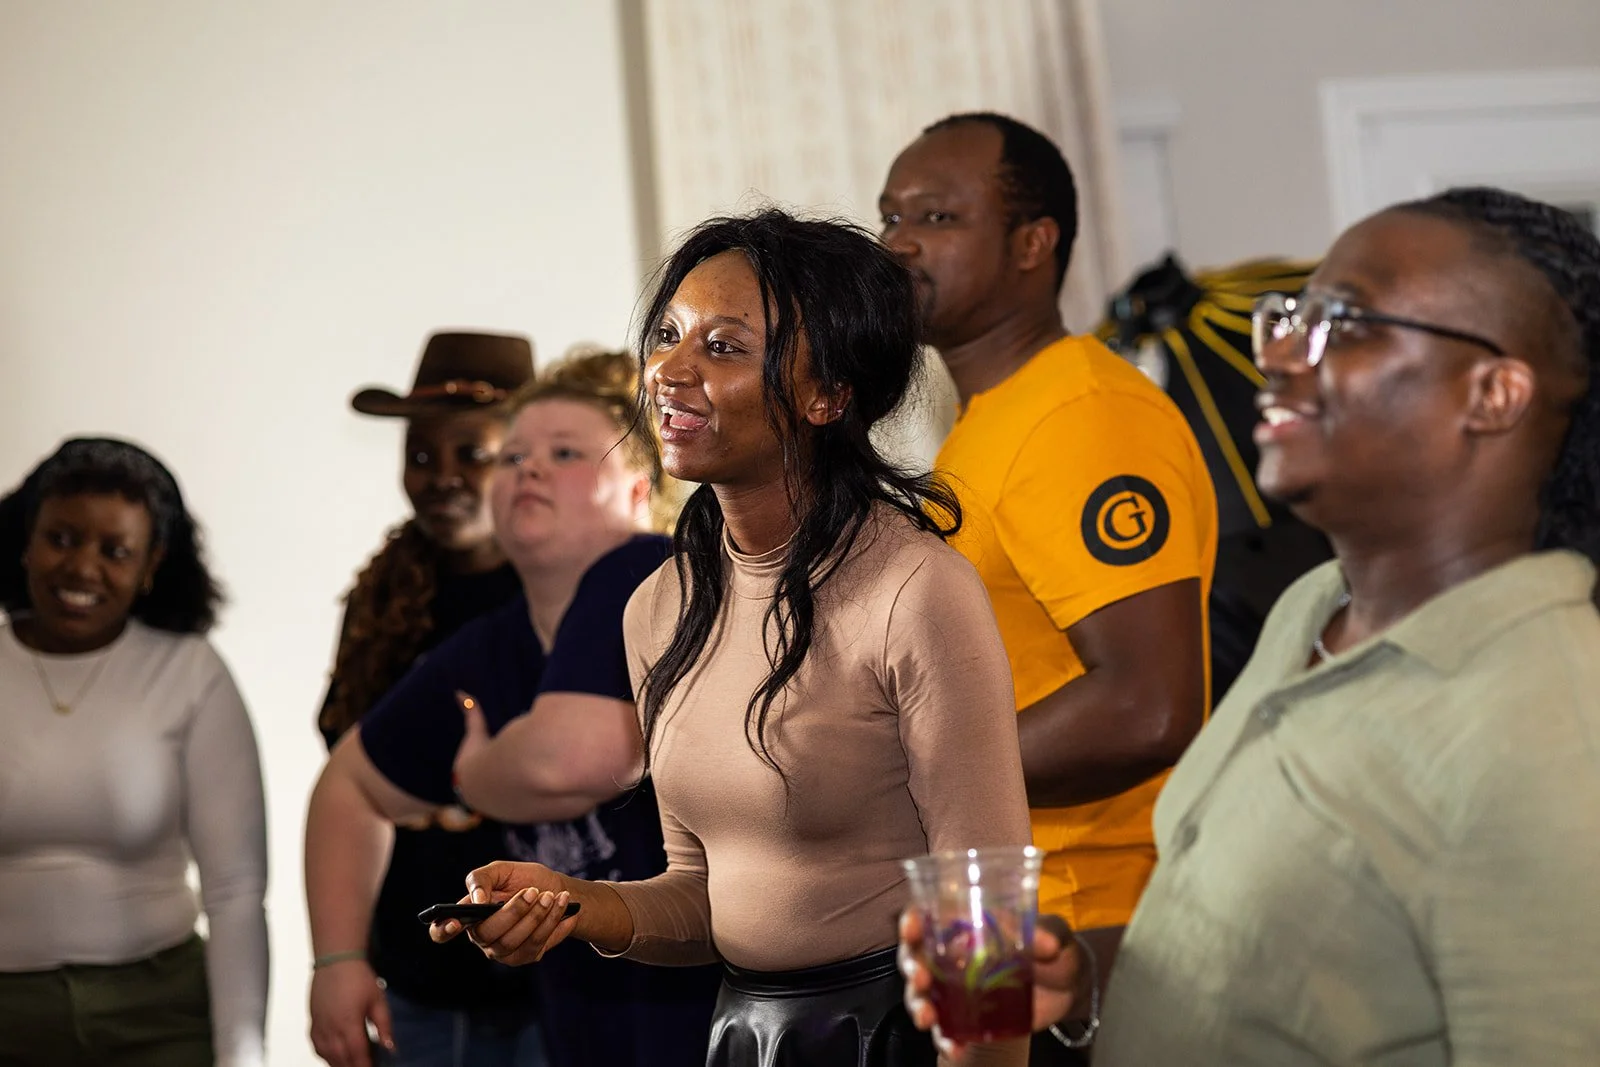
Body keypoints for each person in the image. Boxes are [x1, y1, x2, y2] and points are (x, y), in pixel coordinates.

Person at [902, 187, 1600, 1064]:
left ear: (1494, 394)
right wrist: (1081, 974)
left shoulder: (1550, 727)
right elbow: (1274, 960)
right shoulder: (1312, 610)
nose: (1275, 353)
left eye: (1345, 324)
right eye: (1290, 317)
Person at [433, 210, 1034, 1067]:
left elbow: (987, 907)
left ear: (828, 395)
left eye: (722, 347)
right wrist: (568, 901)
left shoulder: (917, 590)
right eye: (667, 335)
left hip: (898, 1032)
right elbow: (702, 897)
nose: (669, 371)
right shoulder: (659, 607)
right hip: (746, 1032)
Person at [878, 112, 1216, 1062]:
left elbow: (1149, 706)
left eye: (938, 217)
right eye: (890, 215)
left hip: (1091, 926)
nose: (899, 242)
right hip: (999, 912)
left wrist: (895, 777)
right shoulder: (987, 420)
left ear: (1034, 244)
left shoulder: (1083, 415)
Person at [306, 350, 721, 1067]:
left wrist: (471, 776)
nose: (529, 470)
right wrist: (338, 960)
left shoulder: (649, 568)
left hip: (708, 1016)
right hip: (583, 1026)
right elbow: (348, 787)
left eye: (565, 453)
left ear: (638, 488)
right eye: (513, 456)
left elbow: (574, 760)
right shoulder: (490, 646)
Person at [311, 330, 540, 1067]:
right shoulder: (382, 599)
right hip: (421, 975)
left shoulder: (570, 593)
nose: (442, 477)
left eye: (471, 453)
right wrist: (340, 958)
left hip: (564, 972)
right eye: (420, 457)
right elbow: (350, 772)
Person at [0, 437, 267, 1066]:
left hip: (160, 1017)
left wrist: (242, 1055)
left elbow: (234, 890)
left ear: (151, 566)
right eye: (61, 539)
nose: (82, 568)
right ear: (25, 542)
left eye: (114, 551)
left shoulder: (190, 673)